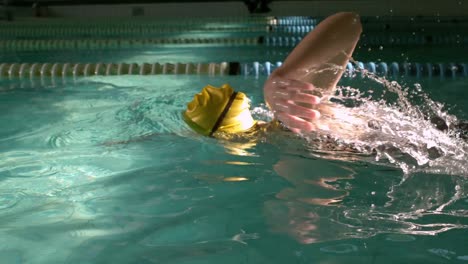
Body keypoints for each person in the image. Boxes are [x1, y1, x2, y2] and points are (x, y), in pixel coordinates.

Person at [183, 12, 363, 138]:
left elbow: (350, 21)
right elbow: (350, 22)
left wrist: (283, 76)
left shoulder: (292, 119)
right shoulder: (293, 118)